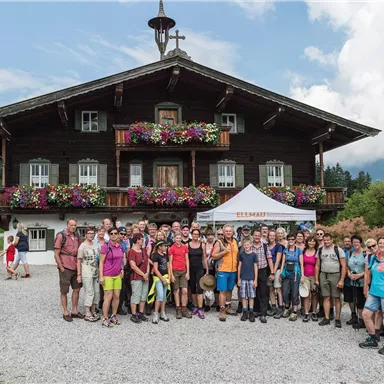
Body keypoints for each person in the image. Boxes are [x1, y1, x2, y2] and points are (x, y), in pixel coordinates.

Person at [54, 218, 84, 322]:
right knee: (64, 291)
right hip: (65, 267)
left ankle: (74, 311)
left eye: (75, 225)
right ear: (67, 225)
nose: (73, 227)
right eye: (71, 225)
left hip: (76, 267)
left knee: (77, 289)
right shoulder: (61, 236)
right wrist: (61, 267)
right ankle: (65, 312)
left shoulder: (77, 237)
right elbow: (56, 253)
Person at [315, 233, 346, 328]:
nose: (326, 242)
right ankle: (327, 318)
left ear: (332, 240)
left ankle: (337, 319)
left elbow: (344, 265)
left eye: (328, 240)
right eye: (325, 240)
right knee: (326, 297)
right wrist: (316, 279)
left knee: (336, 297)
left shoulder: (338, 250)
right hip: (324, 274)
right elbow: (317, 265)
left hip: (335, 275)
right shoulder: (320, 250)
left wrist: (342, 280)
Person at [359, 237, 384, 353]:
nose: (381, 245)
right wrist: (366, 289)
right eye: (380, 243)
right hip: (374, 292)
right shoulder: (374, 258)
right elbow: (368, 273)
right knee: (366, 314)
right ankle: (373, 338)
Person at [212, 224, 239, 322]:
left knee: (229, 290)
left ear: (233, 232)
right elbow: (214, 256)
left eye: (230, 231)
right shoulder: (219, 242)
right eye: (226, 231)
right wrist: (224, 252)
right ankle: (222, 309)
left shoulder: (235, 241)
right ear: (223, 233)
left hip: (233, 270)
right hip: (223, 269)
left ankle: (228, 306)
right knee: (222, 291)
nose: (228, 232)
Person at [99, 227, 124, 328]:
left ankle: (113, 315)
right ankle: (105, 318)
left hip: (117, 275)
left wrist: (122, 269)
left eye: (115, 233)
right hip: (107, 274)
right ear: (109, 235)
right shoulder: (105, 247)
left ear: (118, 234)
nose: (114, 235)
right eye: (112, 233)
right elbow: (101, 262)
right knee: (108, 296)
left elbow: (121, 260)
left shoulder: (120, 246)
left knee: (116, 296)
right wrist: (101, 276)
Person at [77, 226, 100, 322]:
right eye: (89, 233)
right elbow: (79, 261)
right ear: (85, 234)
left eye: (92, 233)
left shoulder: (96, 245)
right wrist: (79, 274)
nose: (91, 235)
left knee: (97, 291)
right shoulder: (82, 246)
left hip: (96, 271)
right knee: (89, 291)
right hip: (86, 271)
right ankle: (87, 312)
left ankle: (93, 309)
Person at [344, 234, 366, 329]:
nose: (356, 244)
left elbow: (368, 269)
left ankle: (364, 320)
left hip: (362, 281)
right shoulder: (350, 253)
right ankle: (359, 320)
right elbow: (347, 266)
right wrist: (349, 273)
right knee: (356, 301)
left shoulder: (365, 253)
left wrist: (360, 275)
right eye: (354, 242)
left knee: (362, 301)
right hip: (353, 281)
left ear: (360, 242)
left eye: (357, 242)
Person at [280, 233, 304, 321]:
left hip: (295, 273)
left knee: (294, 293)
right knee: (285, 292)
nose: (290, 241)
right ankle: (287, 307)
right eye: (289, 239)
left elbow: (301, 263)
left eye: (292, 239)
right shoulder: (285, 250)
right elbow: (283, 262)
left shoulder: (298, 250)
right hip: (286, 273)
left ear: (295, 240)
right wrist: (281, 273)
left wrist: (302, 276)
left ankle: (294, 311)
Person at [251, 230, 273, 323]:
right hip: (252, 271)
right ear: (253, 236)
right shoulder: (249, 246)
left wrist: (272, 272)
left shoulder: (264, 246)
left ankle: (263, 313)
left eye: (258, 235)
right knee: (254, 291)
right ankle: (256, 310)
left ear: (260, 236)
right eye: (255, 235)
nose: (256, 237)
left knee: (263, 292)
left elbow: (270, 259)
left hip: (262, 271)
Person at [128, 233, 150, 324]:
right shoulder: (131, 251)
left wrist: (147, 273)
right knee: (136, 295)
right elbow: (133, 266)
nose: (143, 240)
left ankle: (141, 313)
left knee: (143, 295)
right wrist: (143, 274)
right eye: (142, 239)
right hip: (136, 277)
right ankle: (134, 314)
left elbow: (147, 262)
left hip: (145, 276)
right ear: (137, 240)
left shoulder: (144, 250)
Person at [169, 232, 191, 319]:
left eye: (179, 238)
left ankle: (184, 308)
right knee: (177, 290)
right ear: (174, 239)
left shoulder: (185, 247)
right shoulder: (171, 248)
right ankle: (178, 308)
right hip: (175, 271)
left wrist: (188, 272)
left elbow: (187, 260)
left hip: (183, 271)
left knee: (185, 290)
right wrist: (171, 275)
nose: (178, 239)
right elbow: (170, 262)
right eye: (176, 238)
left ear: (181, 238)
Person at [188, 229, 209, 319]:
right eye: (194, 234)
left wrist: (207, 269)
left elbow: (204, 258)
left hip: (200, 269)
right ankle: (195, 306)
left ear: (199, 235)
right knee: (192, 288)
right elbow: (186, 259)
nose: (195, 236)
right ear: (191, 235)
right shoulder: (187, 245)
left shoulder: (202, 245)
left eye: (197, 234)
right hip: (191, 269)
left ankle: (200, 308)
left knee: (200, 288)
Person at [150, 241, 171, 324]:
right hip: (158, 278)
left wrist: (169, 277)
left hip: (165, 277)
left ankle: (162, 312)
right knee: (160, 295)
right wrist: (162, 279)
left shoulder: (166, 255)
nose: (166, 247)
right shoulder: (155, 256)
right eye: (164, 246)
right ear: (159, 247)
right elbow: (155, 269)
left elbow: (168, 266)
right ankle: (155, 313)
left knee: (164, 296)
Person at [237, 240, 258, 322]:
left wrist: (255, 279)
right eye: (245, 245)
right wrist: (238, 278)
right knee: (243, 296)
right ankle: (244, 311)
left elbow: (256, 268)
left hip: (251, 278)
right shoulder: (241, 254)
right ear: (243, 246)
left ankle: (251, 312)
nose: (246, 246)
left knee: (251, 296)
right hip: (243, 278)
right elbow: (239, 266)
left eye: (248, 245)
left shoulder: (254, 255)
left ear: (251, 245)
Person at [267, 230, 284, 317]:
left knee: (278, 289)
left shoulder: (279, 246)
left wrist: (273, 273)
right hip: (268, 270)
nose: (272, 237)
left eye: (273, 235)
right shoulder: (266, 246)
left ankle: (280, 308)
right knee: (270, 289)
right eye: (270, 235)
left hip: (276, 269)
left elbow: (277, 260)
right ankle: (274, 307)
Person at [302, 235, 319, 322]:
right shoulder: (304, 251)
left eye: (313, 241)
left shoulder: (317, 252)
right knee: (306, 295)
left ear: (315, 243)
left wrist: (317, 279)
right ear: (307, 242)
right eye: (309, 241)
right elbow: (301, 264)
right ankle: (306, 313)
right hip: (305, 276)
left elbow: (318, 265)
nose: (311, 243)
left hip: (314, 276)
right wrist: (301, 275)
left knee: (314, 294)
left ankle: (314, 312)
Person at [117, 226, 129, 316]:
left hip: (121, 269)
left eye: (125, 234)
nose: (123, 236)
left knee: (122, 289)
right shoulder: (110, 243)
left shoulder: (124, 244)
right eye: (121, 234)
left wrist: (124, 267)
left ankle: (119, 307)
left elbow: (124, 256)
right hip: (113, 269)